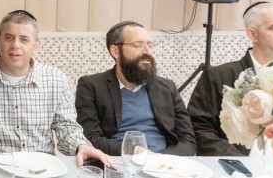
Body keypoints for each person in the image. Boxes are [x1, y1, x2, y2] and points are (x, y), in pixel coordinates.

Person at [0, 10, 108, 166]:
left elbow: (67, 128)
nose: (15, 45)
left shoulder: (57, 80)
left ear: (36, 45)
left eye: (24, 39)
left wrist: (81, 146)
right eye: (9, 37)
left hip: (42, 168)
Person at [75, 21, 196, 156]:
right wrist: (133, 151)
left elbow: (188, 140)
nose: (147, 51)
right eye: (138, 45)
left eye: (149, 45)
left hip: (165, 162)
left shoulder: (167, 87)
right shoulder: (92, 86)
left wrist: (161, 159)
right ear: (115, 51)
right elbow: (90, 139)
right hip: (117, 160)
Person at [189, 2, 273, 155]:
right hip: (236, 162)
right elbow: (199, 128)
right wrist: (238, 160)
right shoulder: (218, 76)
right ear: (252, 34)